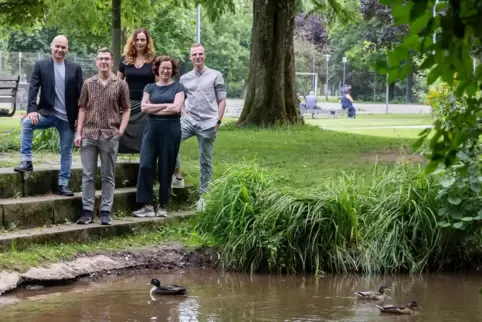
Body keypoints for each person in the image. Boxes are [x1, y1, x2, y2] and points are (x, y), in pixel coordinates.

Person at [13, 35, 83, 196]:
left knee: (66, 151)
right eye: (57, 46)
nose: (60, 50)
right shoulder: (41, 65)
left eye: (63, 47)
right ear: (51, 47)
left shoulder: (75, 68)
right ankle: (27, 161)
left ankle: (63, 185)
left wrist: (79, 120)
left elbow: (81, 96)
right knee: (26, 123)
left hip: (68, 119)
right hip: (48, 113)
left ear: (67, 49)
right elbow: (33, 88)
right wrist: (32, 110)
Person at [75, 48, 131, 225]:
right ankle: (87, 211)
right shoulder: (88, 83)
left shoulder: (121, 84)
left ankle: (106, 211)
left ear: (112, 61)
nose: (103, 62)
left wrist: (120, 130)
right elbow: (82, 107)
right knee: (88, 175)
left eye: (107, 58)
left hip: (109, 134)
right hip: (89, 134)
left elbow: (127, 108)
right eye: (100, 59)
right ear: (96, 62)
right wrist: (79, 132)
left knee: (108, 175)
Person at [172, 43, 227, 211]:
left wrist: (217, 121)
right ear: (190, 57)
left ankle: (204, 196)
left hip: (208, 122)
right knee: (170, 141)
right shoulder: (184, 78)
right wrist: (183, 112)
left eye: (200, 54)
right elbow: (180, 99)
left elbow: (222, 100)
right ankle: (177, 175)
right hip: (189, 120)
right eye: (194, 54)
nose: (197, 57)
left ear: (205, 56)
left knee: (205, 160)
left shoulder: (215, 76)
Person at [132, 56, 185, 218]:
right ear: (157, 68)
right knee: (146, 164)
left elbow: (176, 108)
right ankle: (146, 205)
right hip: (151, 129)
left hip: (171, 129)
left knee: (166, 167)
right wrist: (165, 105)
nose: (165, 71)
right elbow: (144, 108)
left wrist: (154, 107)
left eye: (169, 68)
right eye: (163, 67)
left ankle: (163, 205)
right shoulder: (149, 87)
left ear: (173, 70)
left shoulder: (179, 87)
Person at [117, 28, 156, 153]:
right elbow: (118, 83)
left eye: (143, 40)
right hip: (128, 103)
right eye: (137, 39)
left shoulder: (154, 60)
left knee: (146, 134)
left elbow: (158, 84)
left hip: (146, 104)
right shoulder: (124, 59)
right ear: (133, 41)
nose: (139, 42)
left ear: (147, 42)